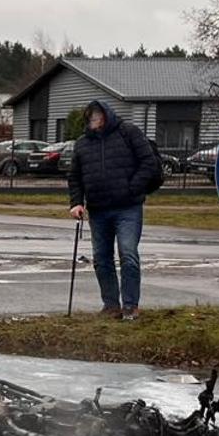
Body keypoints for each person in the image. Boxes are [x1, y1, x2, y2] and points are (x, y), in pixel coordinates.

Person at [66, 100, 160, 321]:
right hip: (98, 209)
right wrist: (76, 202)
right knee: (101, 258)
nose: (94, 121)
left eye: (98, 116)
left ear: (106, 116)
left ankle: (130, 306)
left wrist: (132, 189)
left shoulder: (128, 133)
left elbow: (148, 162)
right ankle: (111, 305)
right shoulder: (82, 144)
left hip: (128, 207)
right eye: (91, 118)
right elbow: (75, 176)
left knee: (127, 254)